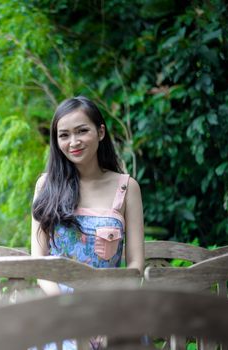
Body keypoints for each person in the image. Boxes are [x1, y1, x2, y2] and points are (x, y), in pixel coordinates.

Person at [30, 96, 144, 349]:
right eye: (64, 135)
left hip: (113, 303)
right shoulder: (46, 186)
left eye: (82, 131)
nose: (73, 142)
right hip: (59, 305)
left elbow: (136, 264)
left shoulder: (127, 188)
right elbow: (38, 261)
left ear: (100, 132)